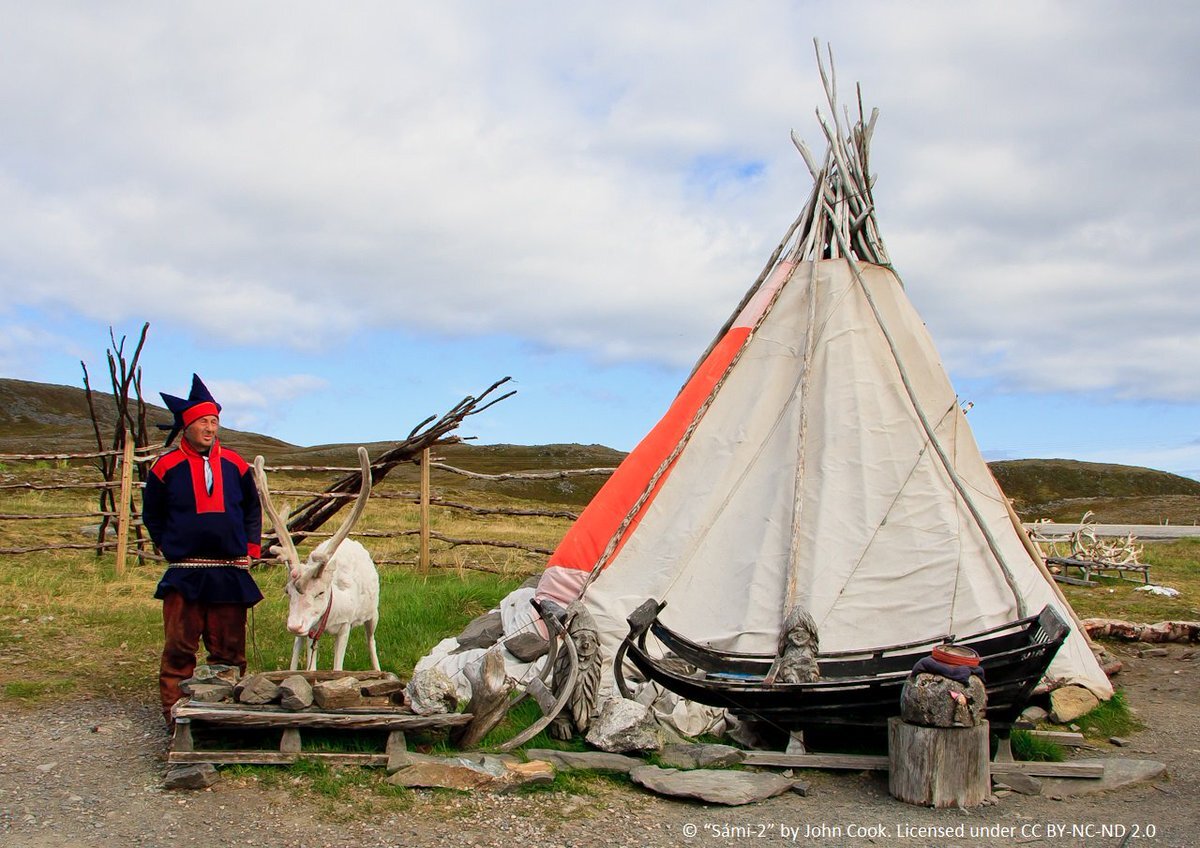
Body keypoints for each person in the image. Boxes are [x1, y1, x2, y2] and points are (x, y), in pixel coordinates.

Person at [142, 374, 263, 728]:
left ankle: (227, 715)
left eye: (214, 421)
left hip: (229, 568)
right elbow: (153, 513)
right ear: (187, 425)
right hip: (186, 571)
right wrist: (167, 545)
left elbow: (252, 509)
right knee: (180, 647)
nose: (210, 428)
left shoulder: (236, 465)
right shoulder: (165, 467)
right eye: (203, 422)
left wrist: (251, 548)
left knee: (229, 650)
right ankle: (177, 715)